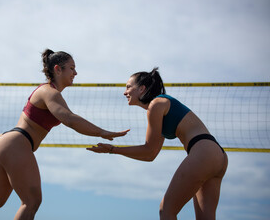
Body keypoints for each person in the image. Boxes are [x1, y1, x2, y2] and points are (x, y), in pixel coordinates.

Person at [0, 49, 129, 220]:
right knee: (31, 202)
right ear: (58, 69)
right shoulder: (49, 91)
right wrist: (102, 132)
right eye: (72, 68)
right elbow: (69, 119)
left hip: (7, 142)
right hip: (16, 143)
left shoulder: (50, 92)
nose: (76, 73)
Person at [87, 67, 228, 220]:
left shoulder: (156, 104)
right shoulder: (161, 106)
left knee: (166, 211)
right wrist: (113, 150)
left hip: (203, 153)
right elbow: (151, 154)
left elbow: (148, 150)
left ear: (142, 89)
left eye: (128, 87)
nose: (124, 92)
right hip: (218, 156)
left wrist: (113, 150)